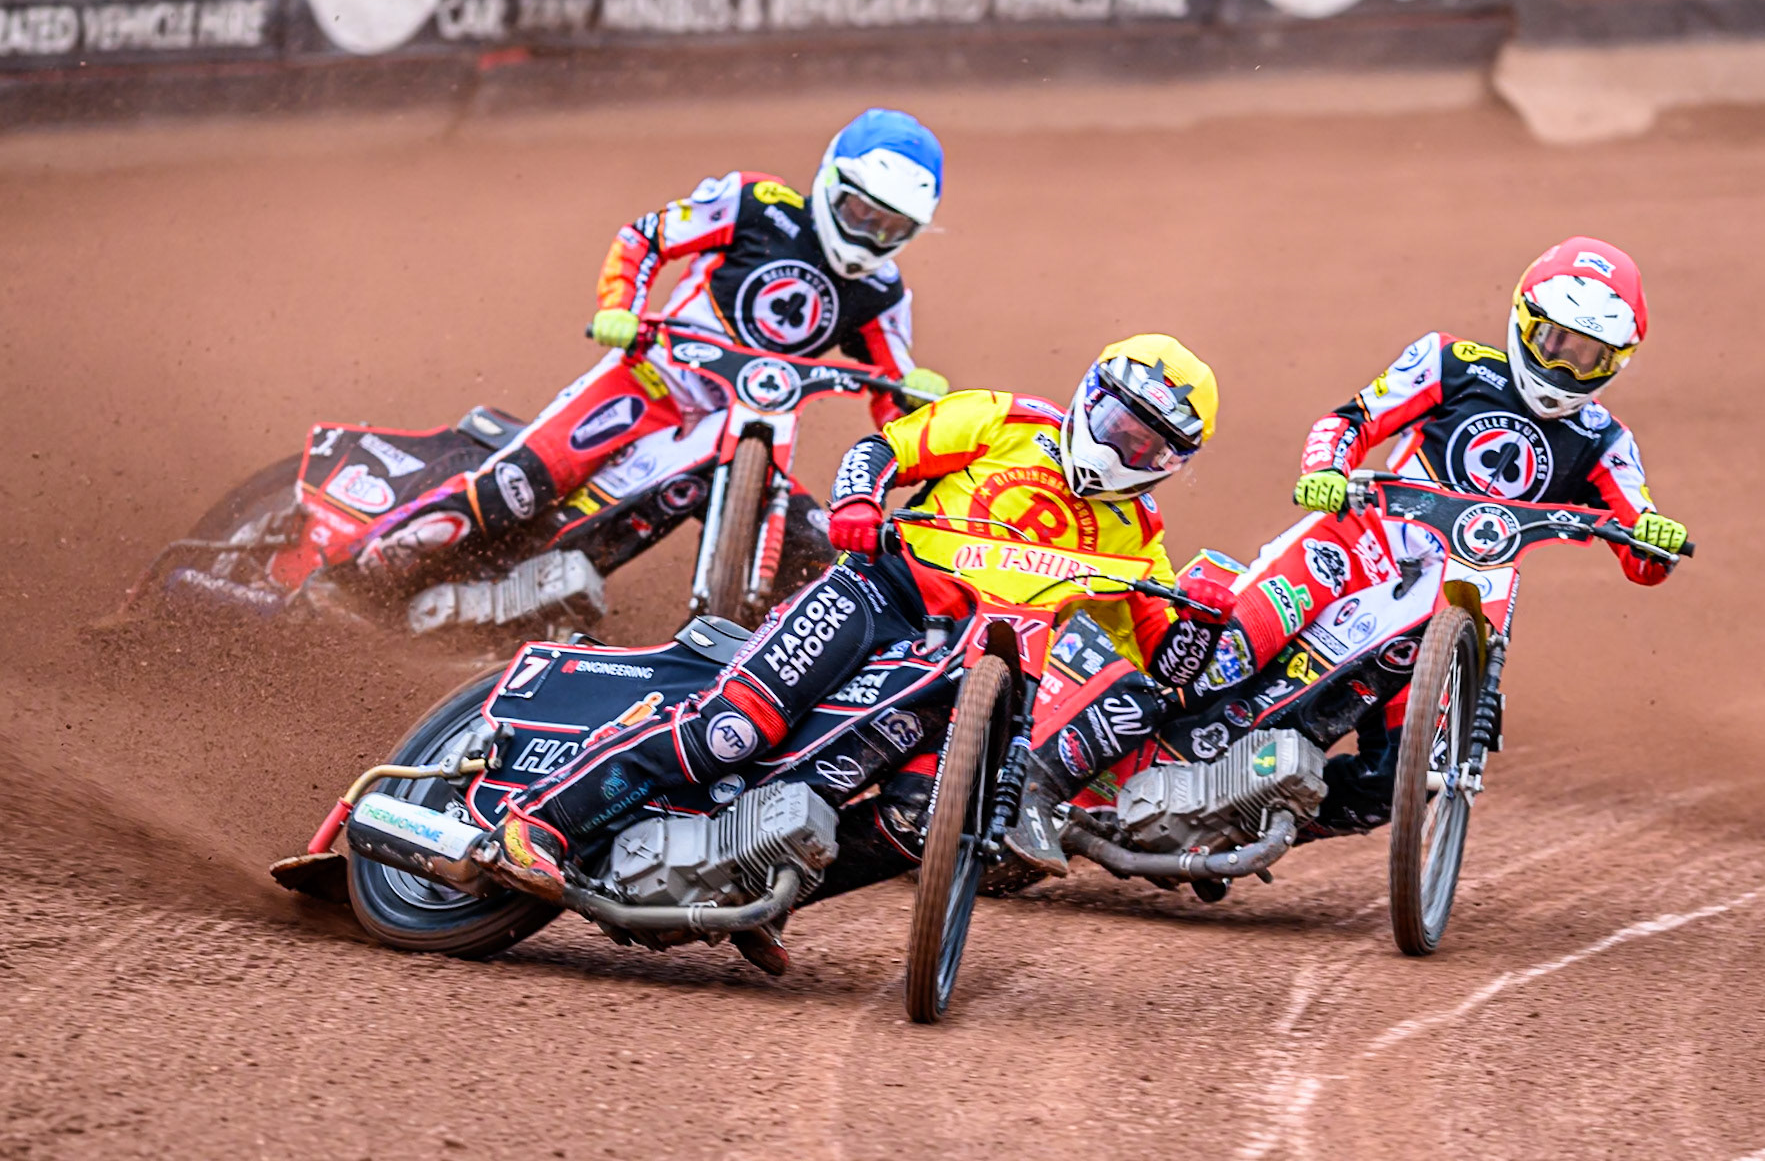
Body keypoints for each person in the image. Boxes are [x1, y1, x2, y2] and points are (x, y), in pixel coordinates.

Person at [474, 334, 1238, 968]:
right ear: (1089, 397)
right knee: (733, 730)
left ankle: (758, 897)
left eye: (1146, 443)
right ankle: (540, 822)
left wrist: (1202, 620)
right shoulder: (1002, 420)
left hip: (971, 673)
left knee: (914, 822)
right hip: (878, 596)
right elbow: (881, 450)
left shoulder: (1140, 541)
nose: (1122, 445)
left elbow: (1161, 673)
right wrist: (856, 504)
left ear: (1170, 462)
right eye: (1117, 421)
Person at [1202, 236, 1690, 834]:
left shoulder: (1605, 441)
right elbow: (1351, 419)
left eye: (1586, 356)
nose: (1563, 365)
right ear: (1523, 321)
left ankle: (1247, 820)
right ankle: (1105, 750)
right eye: (1554, 341)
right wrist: (1325, 471)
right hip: (1361, 542)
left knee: (1402, 783)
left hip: (1466, 591)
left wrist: (1656, 539)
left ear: (1614, 363)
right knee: (1229, 652)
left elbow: (1642, 548)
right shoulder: (1449, 362)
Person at [351, 108, 951, 577]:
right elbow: (647, 237)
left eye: (892, 227)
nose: (870, 235)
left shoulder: (882, 293)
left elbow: (892, 388)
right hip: (652, 379)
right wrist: (620, 310)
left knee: (817, 558)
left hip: (746, 434)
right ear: (830, 179)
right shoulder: (756, 204)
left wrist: (919, 402)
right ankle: (356, 568)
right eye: (860, 211)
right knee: (520, 484)